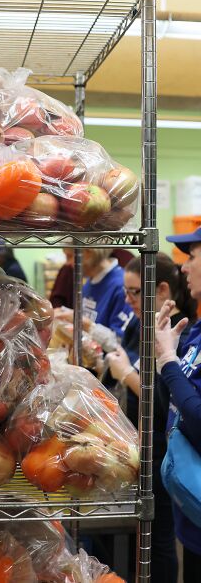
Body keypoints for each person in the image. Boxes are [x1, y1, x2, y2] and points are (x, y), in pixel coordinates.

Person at [101, 253, 188, 583]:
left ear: (162, 290)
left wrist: (124, 374)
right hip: (140, 443)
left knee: (159, 538)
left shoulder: (178, 333)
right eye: (126, 292)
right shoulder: (141, 323)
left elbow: (166, 400)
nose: (128, 300)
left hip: (162, 450)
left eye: (135, 292)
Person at [151, 227, 201, 572]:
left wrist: (168, 363)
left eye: (192, 257)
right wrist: (164, 353)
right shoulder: (197, 330)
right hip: (191, 513)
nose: (184, 267)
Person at [80, 248, 135, 338]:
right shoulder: (90, 281)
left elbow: (120, 341)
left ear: (88, 253)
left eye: (70, 256)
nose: (68, 263)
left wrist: (86, 325)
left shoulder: (121, 286)